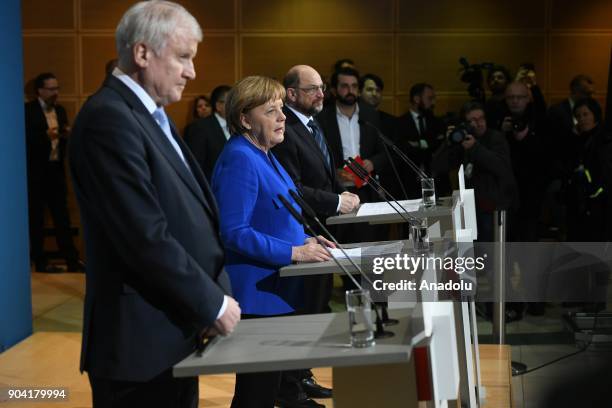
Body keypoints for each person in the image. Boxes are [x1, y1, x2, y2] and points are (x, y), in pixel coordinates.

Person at [68, 2, 241, 407]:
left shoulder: (149, 116)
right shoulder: (108, 119)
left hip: (174, 329)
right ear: (143, 53)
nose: (192, 72)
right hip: (139, 345)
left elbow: (188, 215)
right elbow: (142, 236)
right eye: (183, 57)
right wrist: (211, 302)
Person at [212, 75, 334, 408]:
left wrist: (308, 238)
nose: (282, 117)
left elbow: (274, 216)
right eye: (271, 111)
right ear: (244, 119)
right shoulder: (239, 157)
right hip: (258, 296)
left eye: (282, 108)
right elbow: (234, 231)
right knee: (256, 395)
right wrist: (295, 251)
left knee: (269, 390)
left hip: (278, 292)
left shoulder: (265, 153)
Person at [273, 65, 360, 405]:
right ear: (291, 93)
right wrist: (336, 200)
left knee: (315, 306)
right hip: (302, 232)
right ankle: (291, 386)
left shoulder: (312, 123)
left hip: (322, 231)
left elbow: (323, 172)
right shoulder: (285, 128)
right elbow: (292, 188)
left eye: (322, 87)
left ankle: (301, 376)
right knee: (302, 310)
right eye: (313, 89)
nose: (321, 94)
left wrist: (342, 193)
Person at [25, 72, 83, 273]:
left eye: (57, 88)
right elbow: (24, 139)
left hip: (56, 171)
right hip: (36, 173)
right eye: (51, 89)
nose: (56, 93)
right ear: (40, 91)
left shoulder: (60, 110)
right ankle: (40, 261)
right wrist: (45, 136)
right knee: (37, 218)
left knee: (62, 217)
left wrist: (65, 134)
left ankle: (72, 260)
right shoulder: (28, 111)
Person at [565, 98, 612, 242]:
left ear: (595, 115)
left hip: (598, 202)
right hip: (582, 200)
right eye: (578, 116)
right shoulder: (579, 139)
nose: (582, 119)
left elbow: (605, 172)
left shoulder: (604, 138)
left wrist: (596, 191)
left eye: (586, 114)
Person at [395, 83, 446, 197]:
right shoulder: (399, 124)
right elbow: (404, 150)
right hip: (410, 186)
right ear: (417, 99)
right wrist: (428, 145)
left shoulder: (438, 122)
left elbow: (440, 146)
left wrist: (417, 144)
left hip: (438, 184)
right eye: (430, 98)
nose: (433, 103)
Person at [184, 85, 231, 181]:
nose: (237, 106)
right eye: (232, 102)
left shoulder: (239, 125)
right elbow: (195, 166)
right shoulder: (200, 127)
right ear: (218, 106)